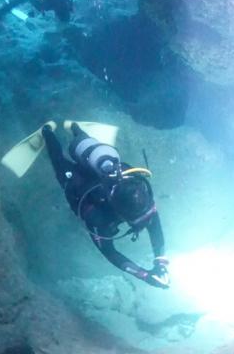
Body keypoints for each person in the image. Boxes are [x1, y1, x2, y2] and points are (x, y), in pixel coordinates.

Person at [42, 122, 170, 288]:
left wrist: (161, 264)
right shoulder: (97, 219)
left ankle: (73, 129)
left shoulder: (140, 194)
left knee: (90, 153)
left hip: (101, 167)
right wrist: (143, 275)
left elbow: (156, 230)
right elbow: (109, 253)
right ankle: (48, 132)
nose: (145, 217)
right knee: (59, 161)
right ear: (121, 214)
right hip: (77, 185)